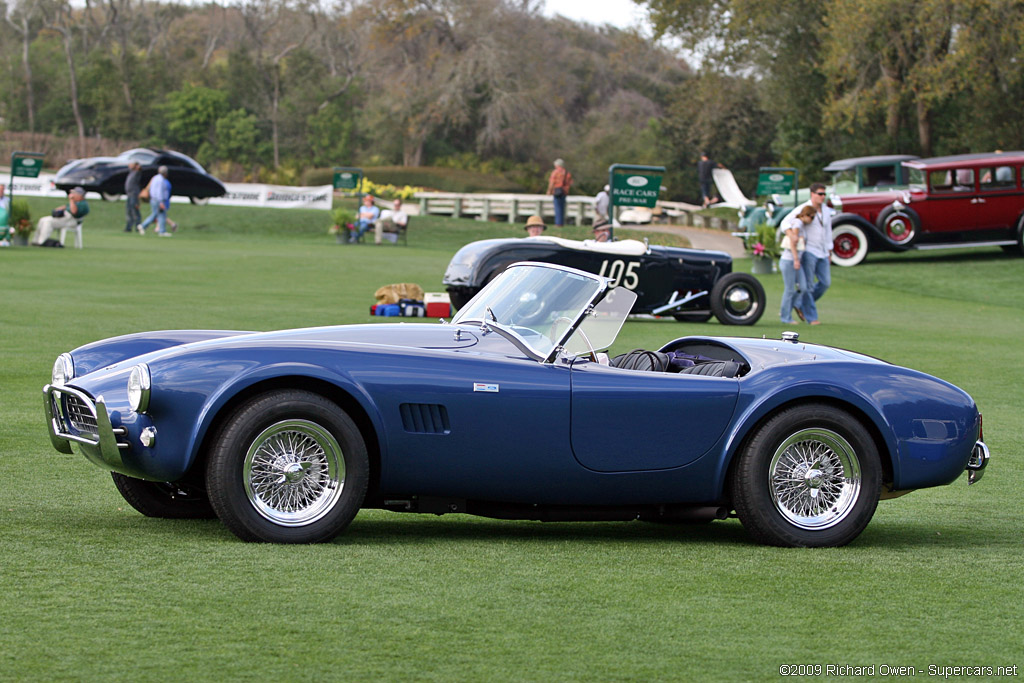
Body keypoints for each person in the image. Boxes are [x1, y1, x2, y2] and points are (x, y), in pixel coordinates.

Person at [798, 182, 831, 324]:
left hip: (823, 251)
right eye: (820, 194)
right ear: (812, 194)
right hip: (809, 250)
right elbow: (787, 223)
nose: (823, 197)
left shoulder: (827, 210)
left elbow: (828, 230)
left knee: (825, 283)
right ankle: (812, 317)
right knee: (809, 285)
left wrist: (830, 249)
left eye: (824, 194)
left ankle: (799, 302)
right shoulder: (804, 208)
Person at [778, 205, 814, 324]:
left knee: (803, 287)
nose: (811, 220)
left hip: (795, 260)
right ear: (804, 215)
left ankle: (789, 307)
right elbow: (793, 242)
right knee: (789, 289)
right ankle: (785, 317)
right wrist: (796, 259)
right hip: (789, 260)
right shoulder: (797, 223)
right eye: (810, 217)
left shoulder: (802, 225)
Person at [139, 166, 172, 236]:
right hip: (158, 200)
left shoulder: (155, 178)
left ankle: (161, 230)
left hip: (153, 199)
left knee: (160, 215)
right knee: (157, 215)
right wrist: (161, 202)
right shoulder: (161, 180)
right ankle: (143, 226)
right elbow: (159, 192)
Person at [546, 159, 573, 227]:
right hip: (564, 191)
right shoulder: (567, 173)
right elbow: (570, 183)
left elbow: (552, 182)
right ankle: (561, 222)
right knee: (562, 207)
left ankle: (558, 223)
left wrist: (549, 190)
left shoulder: (555, 172)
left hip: (557, 191)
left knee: (557, 207)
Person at [123, 161, 142, 233]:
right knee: (129, 211)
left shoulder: (137, 173)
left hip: (134, 194)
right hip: (129, 194)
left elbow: (140, 169)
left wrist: (137, 165)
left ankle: (138, 227)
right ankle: (128, 227)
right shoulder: (131, 172)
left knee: (135, 211)